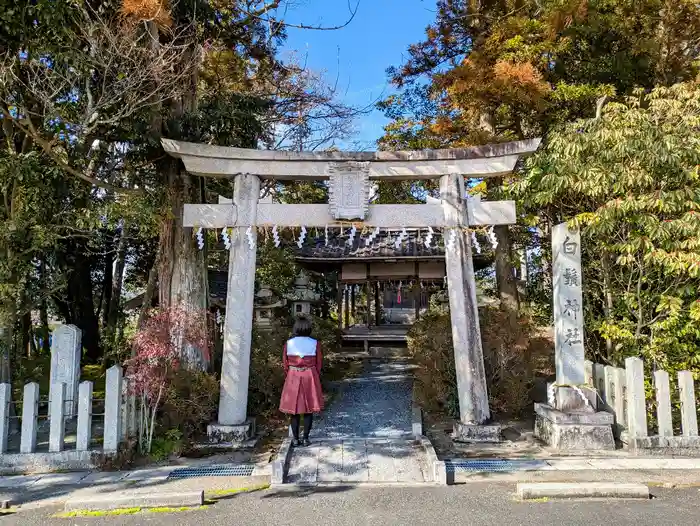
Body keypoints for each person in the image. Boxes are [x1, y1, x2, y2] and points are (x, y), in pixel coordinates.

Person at [279, 315, 324, 446]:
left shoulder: (289, 343)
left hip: (293, 375)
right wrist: (314, 374)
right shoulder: (315, 343)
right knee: (309, 409)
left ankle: (295, 438)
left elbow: (285, 364)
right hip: (310, 375)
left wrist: (291, 373)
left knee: (294, 409)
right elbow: (318, 363)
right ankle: (306, 438)